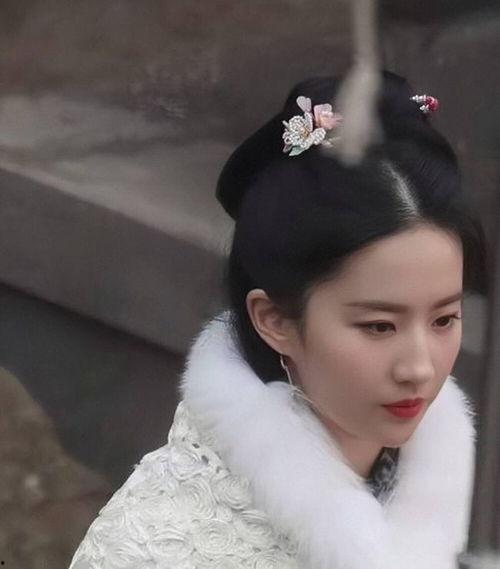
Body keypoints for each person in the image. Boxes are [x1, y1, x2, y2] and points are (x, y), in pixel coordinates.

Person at [68, 70, 489, 569]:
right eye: (379, 326)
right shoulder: (153, 548)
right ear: (275, 320)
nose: (419, 367)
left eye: (444, 319)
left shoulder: (472, 501)